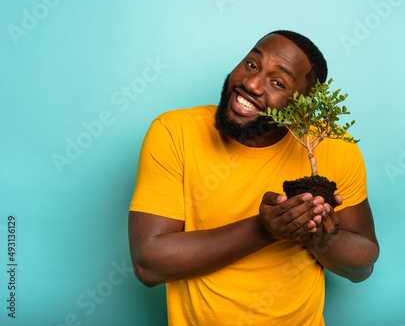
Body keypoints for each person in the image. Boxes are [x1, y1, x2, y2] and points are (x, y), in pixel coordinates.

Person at [128, 30, 379, 326]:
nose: (251, 83)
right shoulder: (174, 133)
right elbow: (149, 264)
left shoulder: (335, 145)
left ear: (302, 106)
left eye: (278, 82)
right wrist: (266, 230)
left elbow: (361, 268)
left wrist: (320, 236)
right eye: (251, 64)